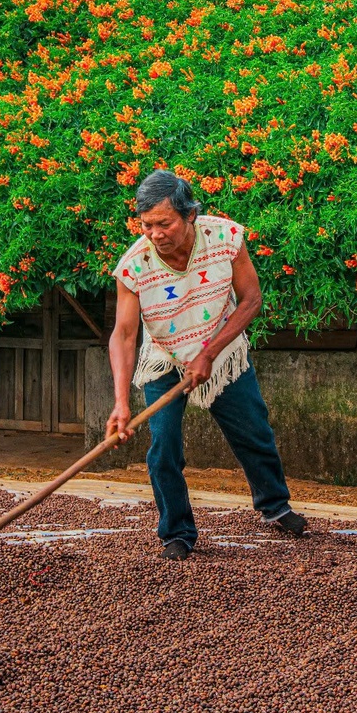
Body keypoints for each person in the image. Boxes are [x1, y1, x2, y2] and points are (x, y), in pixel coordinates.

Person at [105, 169, 308, 559]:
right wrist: (120, 402)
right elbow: (124, 335)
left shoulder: (227, 238)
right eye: (146, 225)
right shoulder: (133, 267)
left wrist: (209, 353)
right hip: (164, 357)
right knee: (163, 448)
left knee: (253, 430)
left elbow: (250, 300)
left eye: (164, 223)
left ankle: (274, 506)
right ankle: (176, 531)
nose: (155, 234)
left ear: (190, 215)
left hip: (222, 351)